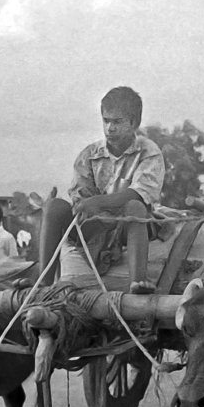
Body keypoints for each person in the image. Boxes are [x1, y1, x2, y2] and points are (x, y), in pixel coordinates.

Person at [39, 86, 165, 293]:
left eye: (117, 122)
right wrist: (87, 205)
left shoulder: (149, 152)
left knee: (135, 207)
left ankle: (137, 282)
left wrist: (97, 202)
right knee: (54, 207)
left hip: (128, 225)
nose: (110, 128)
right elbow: (81, 198)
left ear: (134, 122)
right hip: (95, 226)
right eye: (106, 121)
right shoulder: (89, 154)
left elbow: (138, 194)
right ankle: (43, 282)